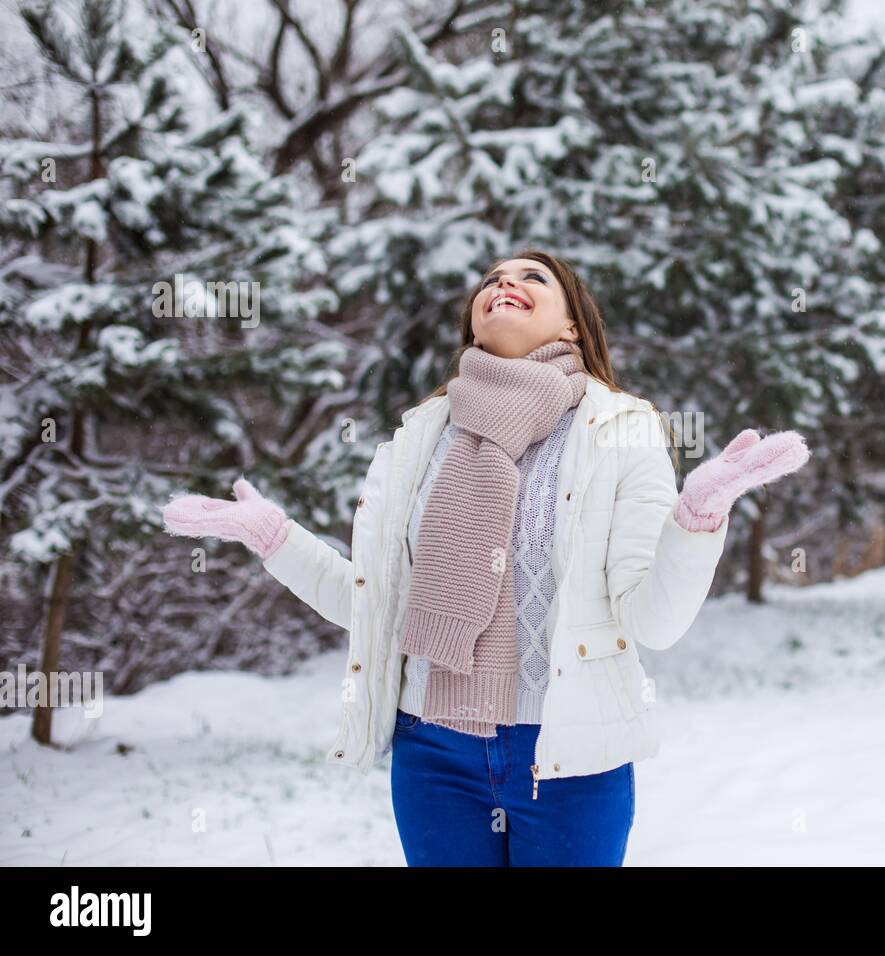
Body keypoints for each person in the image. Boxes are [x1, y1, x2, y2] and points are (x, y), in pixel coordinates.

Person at [161, 248, 809, 866]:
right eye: (491, 278)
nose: (504, 283)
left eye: (533, 277)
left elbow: (651, 622)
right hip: (433, 751)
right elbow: (378, 605)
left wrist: (697, 519)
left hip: (569, 755)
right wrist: (276, 538)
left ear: (575, 327)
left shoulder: (622, 429)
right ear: (474, 324)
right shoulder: (425, 435)